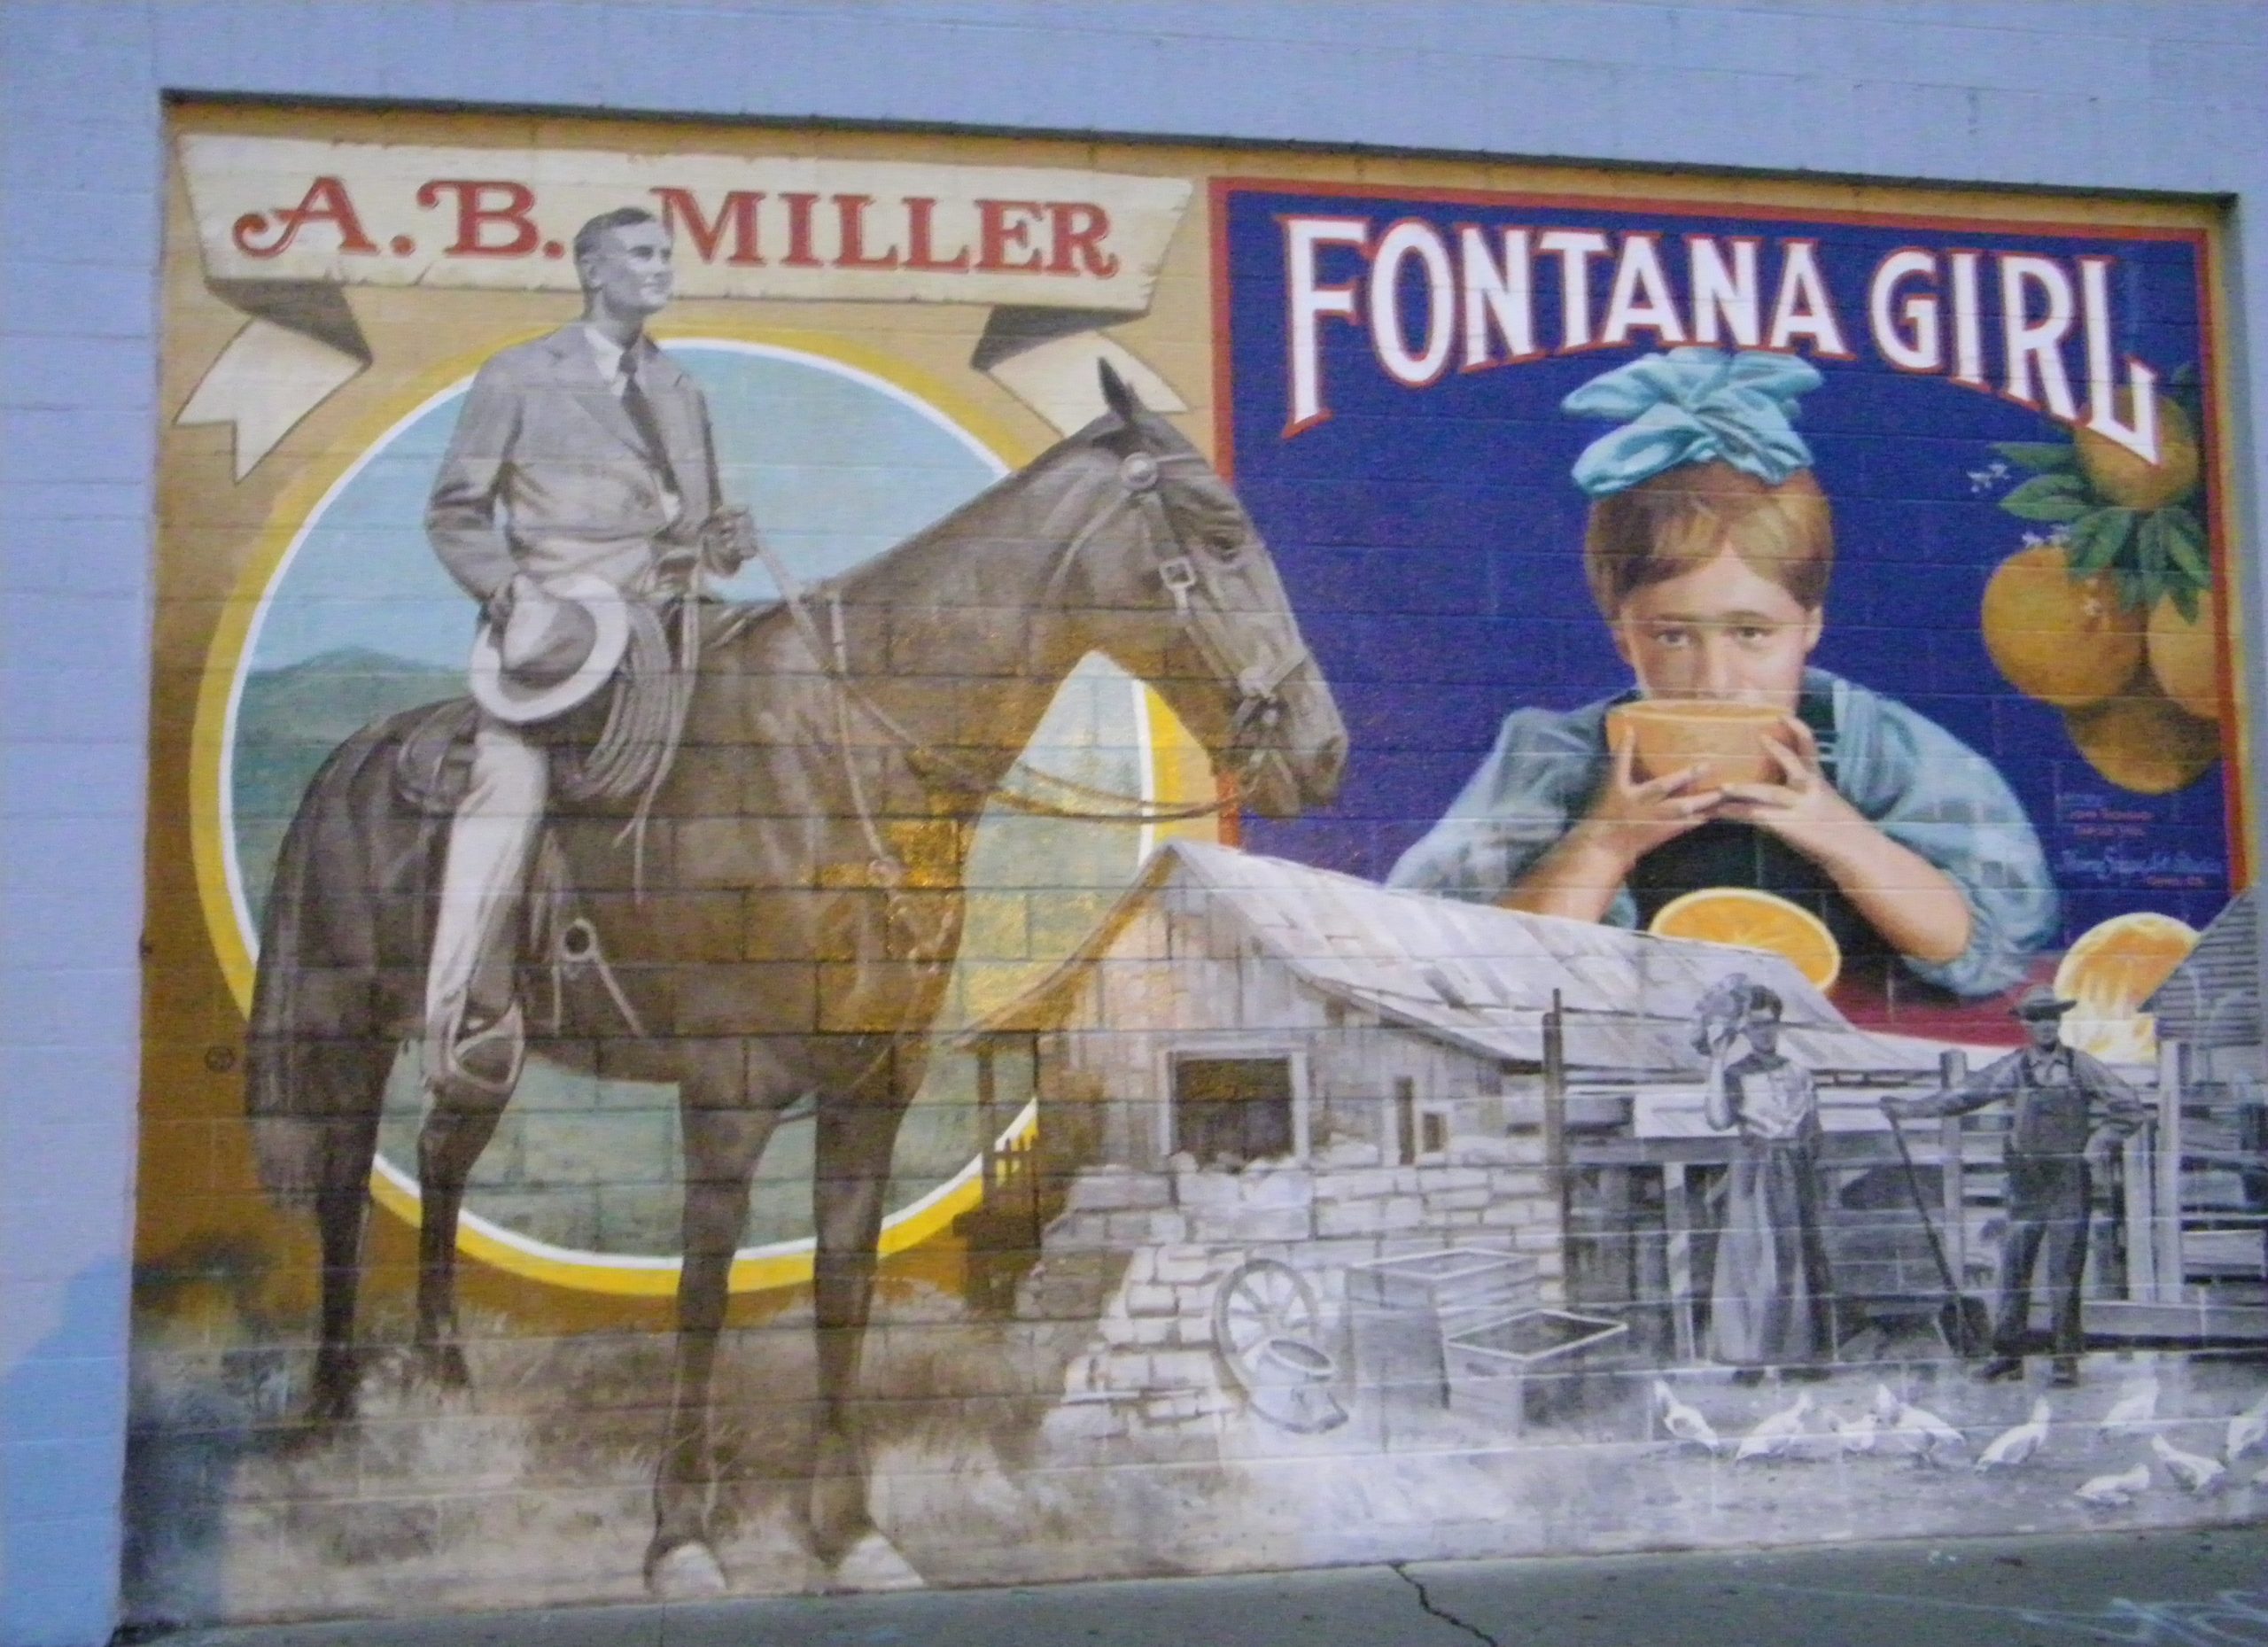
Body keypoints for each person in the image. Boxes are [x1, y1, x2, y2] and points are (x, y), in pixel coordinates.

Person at [1386, 347, 2057, 1001]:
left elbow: (1983, 948)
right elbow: (1468, 958)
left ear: (1810, 627)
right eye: (1674, 634)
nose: (1714, 678)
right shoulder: (1556, 757)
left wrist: (1837, 830)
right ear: (1623, 638)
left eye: (1751, 633)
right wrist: (1603, 842)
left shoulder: (1873, 744)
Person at [421, 206, 751, 1099]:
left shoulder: (681, 388)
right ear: (592, 268)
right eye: (642, 255)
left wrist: (720, 538)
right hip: (561, 638)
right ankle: (463, 1015)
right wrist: (513, 597)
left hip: (672, 631)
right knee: (508, 783)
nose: (660, 270)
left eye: (666, 255)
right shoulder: (521, 376)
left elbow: (695, 527)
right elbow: (455, 511)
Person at [1884, 985, 2147, 1386]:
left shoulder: (2081, 1067)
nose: (2045, 1025)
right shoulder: (2014, 1067)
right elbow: (1966, 1095)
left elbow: (2128, 1107)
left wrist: (2097, 1143)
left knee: (2064, 1273)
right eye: (2037, 1018)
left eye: (2051, 1017)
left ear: (2059, 1022)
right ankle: (2008, 1355)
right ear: (2025, 1024)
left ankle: (2064, 1360)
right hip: (2025, 1181)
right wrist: (1911, 1109)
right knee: (2014, 1269)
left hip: (2067, 1181)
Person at [1700, 983, 1837, 1379]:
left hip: (1793, 1170)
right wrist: (1717, 1059)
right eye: (1755, 1026)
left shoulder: (1798, 1071)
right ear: (1743, 1030)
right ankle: (1751, 1359)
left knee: (1797, 1257)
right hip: (1754, 1171)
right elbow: (1718, 1119)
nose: (1764, 1033)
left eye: (1770, 1024)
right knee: (1755, 1261)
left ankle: (1798, 1356)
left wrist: (1806, 1160)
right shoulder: (1734, 1074)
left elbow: (1814, 1127)